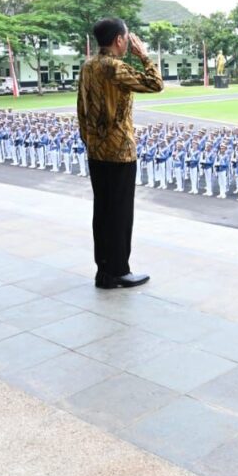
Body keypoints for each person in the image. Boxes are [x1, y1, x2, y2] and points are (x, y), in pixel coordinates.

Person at [78, 18, 163, 289]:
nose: (129, 42)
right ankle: (118, 271)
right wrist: (144, 55)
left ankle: (104, 270)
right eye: (127, 38)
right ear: (119, 40)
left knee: (102, 211)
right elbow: (155, 83)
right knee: (120, 213)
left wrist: (90, 140)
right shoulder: (115, 67)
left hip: (96, 149)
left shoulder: (88, 66)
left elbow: (81, 108)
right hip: (119, 152)